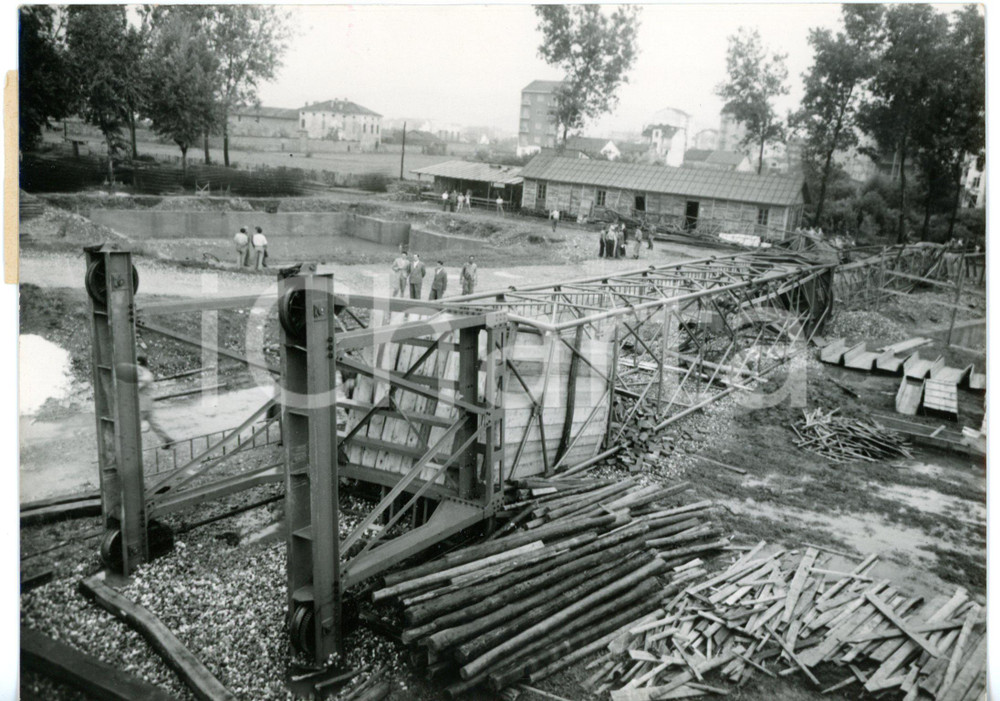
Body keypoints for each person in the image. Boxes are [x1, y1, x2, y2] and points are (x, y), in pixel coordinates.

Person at [136, 355, 174, 448]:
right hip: (146, 403)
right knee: (154, 424)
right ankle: (167, 439)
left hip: (142, 404)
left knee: (133, 426)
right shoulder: (145, 374)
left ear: (139, 363)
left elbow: (137, 387)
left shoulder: (145, 375)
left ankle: (132, 447)